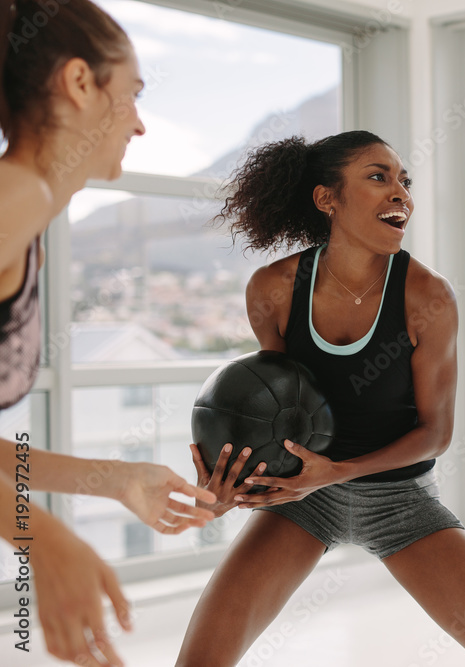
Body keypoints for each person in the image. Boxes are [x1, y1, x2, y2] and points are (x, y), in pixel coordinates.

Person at [177, 130, 465, 667]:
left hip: (402, 502)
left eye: (404, 181)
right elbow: (277, 407)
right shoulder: (274, 288)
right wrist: (232, 483)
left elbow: (435, 434)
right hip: (303, 501)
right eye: (378, 178)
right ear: (326, 199)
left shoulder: (428, 296)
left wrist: (339, 470)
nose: (401, 193)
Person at [1, 1, 216, 664]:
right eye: (134, 96)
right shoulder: (15, 199)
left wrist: (114, 478)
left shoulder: (26, 217)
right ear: (80, 83)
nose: (142, 124)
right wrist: (37, 534)